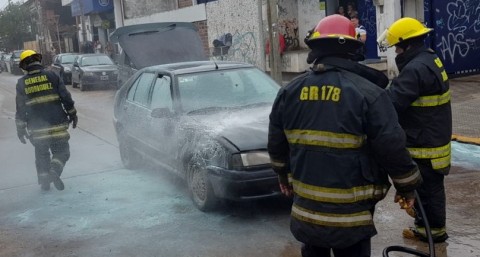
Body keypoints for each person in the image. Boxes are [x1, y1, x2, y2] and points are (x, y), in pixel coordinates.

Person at [268, 14, 423, 257]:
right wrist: (407, 187)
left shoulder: (289, 92)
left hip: (307, 211)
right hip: (352, 216)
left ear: (316, 50)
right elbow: (391, 146)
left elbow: (276, 143)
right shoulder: (370, 94)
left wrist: (282, 174)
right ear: (353, 51)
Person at [381, 17, 452, 243]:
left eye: (398, 47)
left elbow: (392, 102)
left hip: (424, 141)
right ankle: (427, 227)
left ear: (408, 44)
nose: (397, 52)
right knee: (430, 189)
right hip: (433, 135)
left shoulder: (415, 69)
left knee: (427, 189)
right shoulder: (430, 59)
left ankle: (432, 232)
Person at [15, 50, 78, 191]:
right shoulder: (52, 76)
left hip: (37, 129)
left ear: (24, 65)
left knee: (42, 155)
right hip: (58, 125)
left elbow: (20, 109)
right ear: (38, 60)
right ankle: (54, 170)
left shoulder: (21, 83)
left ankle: (44, 183)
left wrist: (20, 129)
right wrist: (73, 114)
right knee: (62, 151)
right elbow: (66, 98)